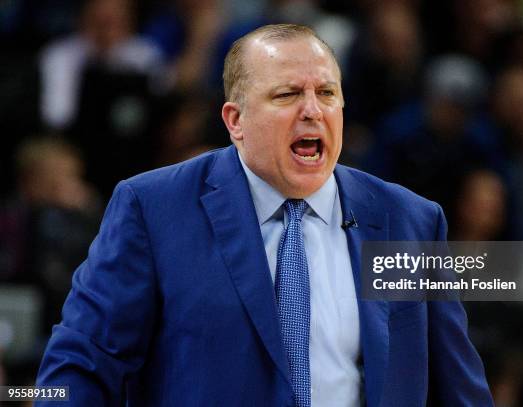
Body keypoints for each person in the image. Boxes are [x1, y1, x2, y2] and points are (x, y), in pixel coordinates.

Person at [36, 24, 493, 406]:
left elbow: (459, 389)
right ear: (236, 120)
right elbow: (83, 365)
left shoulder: (410, 220)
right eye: (288, 94)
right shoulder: (154, 208)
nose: (312, 110)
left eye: (327, 93)